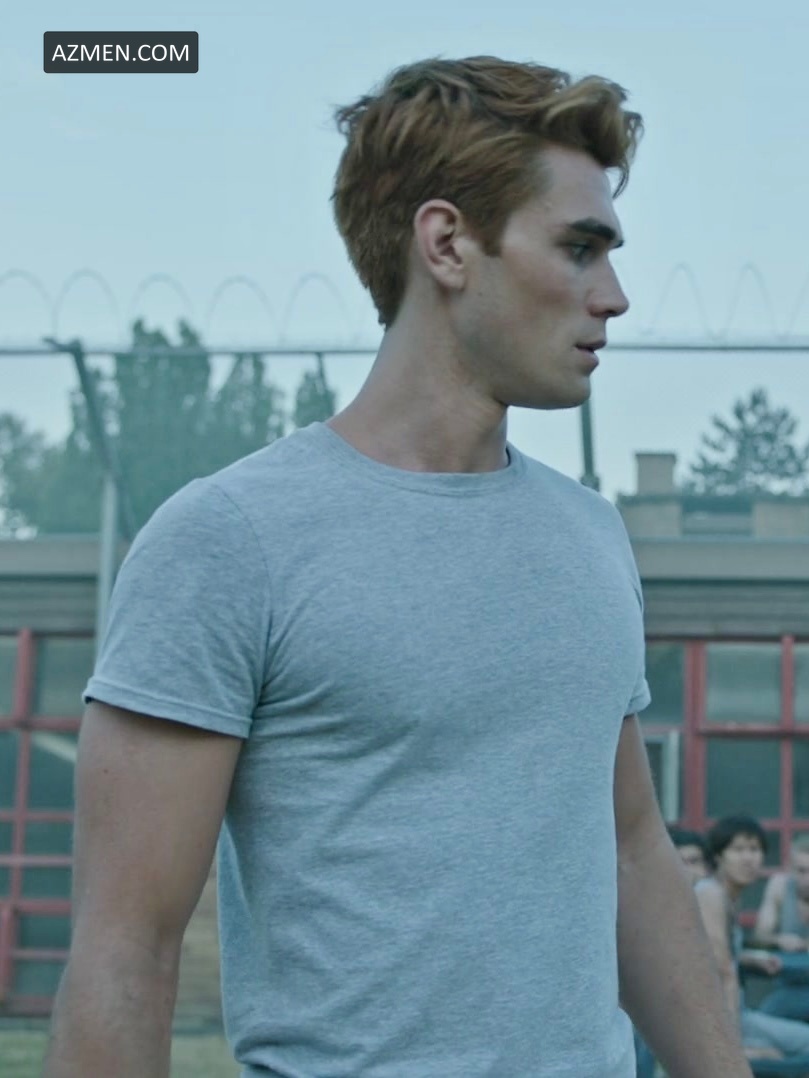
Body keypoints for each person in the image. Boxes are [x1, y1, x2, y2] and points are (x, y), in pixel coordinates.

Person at [44, 56, 751, 1077]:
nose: (614, 296)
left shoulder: (591, 537)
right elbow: (125, 951)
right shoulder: (229, 540)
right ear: (447, 243)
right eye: (579, 248)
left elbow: (632, 854)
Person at [696, 815, 809, 1066]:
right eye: (738, 850)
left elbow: (715, 954)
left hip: (737, 1013)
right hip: (714, 1019)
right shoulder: (710, 894)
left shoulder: (728, 896)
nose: (748, 858)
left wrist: (750, 959)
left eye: (755, 849)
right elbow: (723, 972)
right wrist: (734, 1047)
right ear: (718, 855)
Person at [753, 835, 809, 1020]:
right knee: (761, 1023)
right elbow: (760, 935)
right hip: (788, 987)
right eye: (801, 871)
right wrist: (779, 940)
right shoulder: (780, 886)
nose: (807, 879)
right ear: (790, 869)